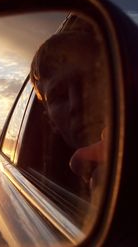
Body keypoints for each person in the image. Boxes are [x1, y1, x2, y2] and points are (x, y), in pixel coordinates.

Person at [29, 25, 109, 200]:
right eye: (60, 96)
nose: (76, 103)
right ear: (51, 121)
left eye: (90, 81)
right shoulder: (56, 181)